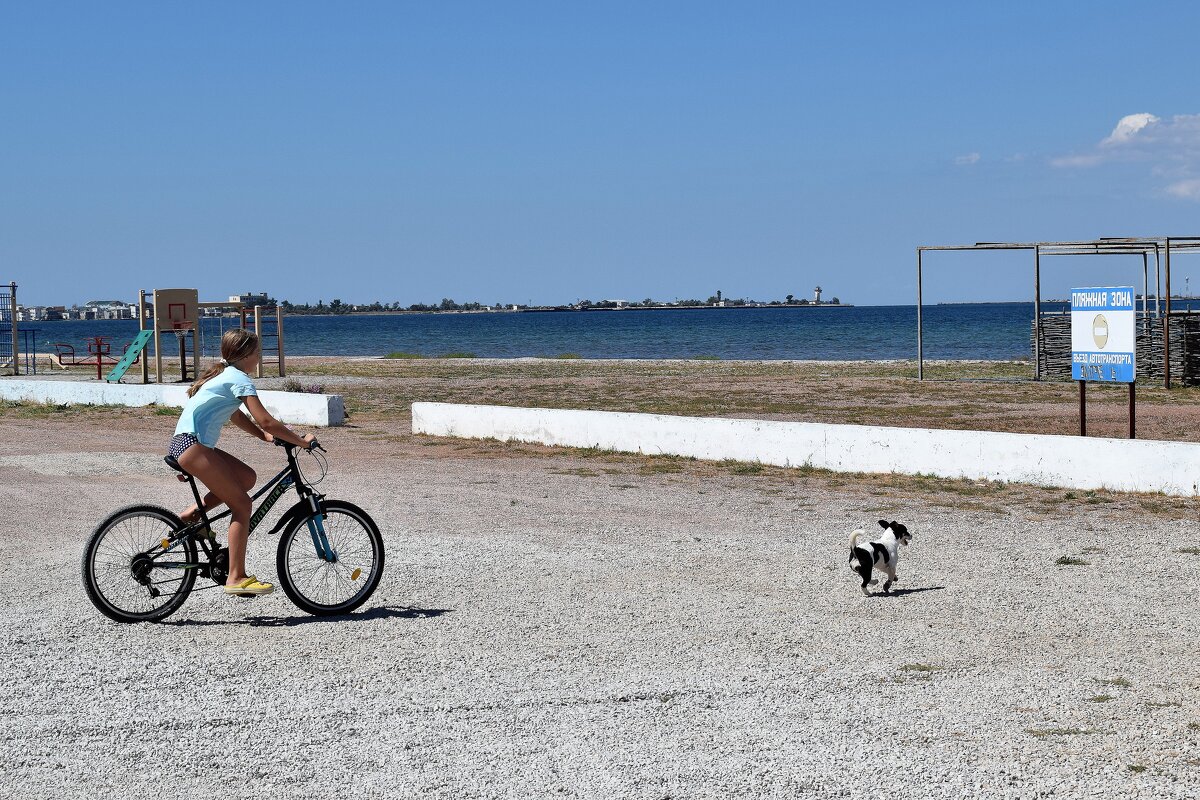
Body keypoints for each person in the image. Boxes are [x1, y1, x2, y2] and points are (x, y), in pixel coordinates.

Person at [168, 329, 314, 596]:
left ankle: (193, 514)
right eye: (257, 353)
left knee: (246, 477)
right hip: (193, 447)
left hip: (188, 445)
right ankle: (236, 577)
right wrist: (301, 441)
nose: (258, 358)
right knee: (243, 504)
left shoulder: (224, 375)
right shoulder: (239, 379)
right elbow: (266, 419)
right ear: (245, 355)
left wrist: (264, 437)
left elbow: (237, 416)